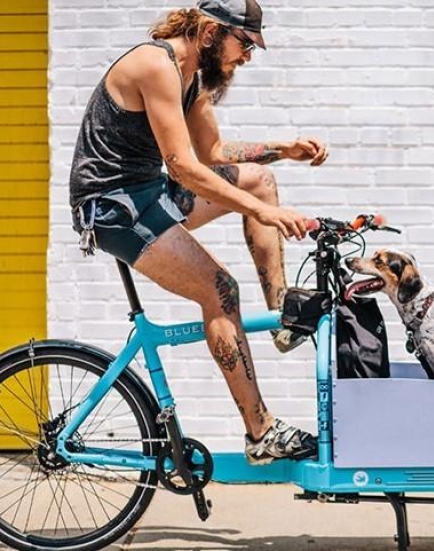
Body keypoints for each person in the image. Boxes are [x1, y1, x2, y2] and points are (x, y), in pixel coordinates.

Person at [68, 0, 328, 464]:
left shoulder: (193, 79)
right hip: (113, 206)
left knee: (260, 181)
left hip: (150, 192)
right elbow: (184, 166)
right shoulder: (155, 64)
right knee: (220, 289)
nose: (247, 56)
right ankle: (260, 432)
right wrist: (261, 214)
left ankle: (281, 317)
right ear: (211, 31)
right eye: (244, 44)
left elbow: (213, 151)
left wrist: (282, 149)